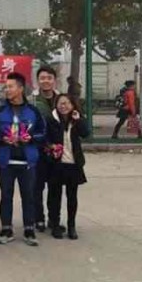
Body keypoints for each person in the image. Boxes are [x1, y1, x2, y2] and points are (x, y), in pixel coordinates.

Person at [0, 72, 46, 247]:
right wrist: (2, 139)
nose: (7, 90)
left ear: (21, 88)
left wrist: (31, 138)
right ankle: (6, 229)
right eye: (5, 87)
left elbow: (43, 133)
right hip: (6, 161)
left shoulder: (33, 111)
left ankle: (29, 229)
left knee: (28, 196)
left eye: (10, 86)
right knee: (6, 195)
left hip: (28, 162)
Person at [46, 94, 89, 240]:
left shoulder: (76, 119)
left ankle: (72, 226)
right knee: (54, 196)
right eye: (61, 103)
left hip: (73, 163)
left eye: (67, 103)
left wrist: (79, 120)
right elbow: (45, 138)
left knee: (72, 197)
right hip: (56, 163)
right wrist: (51, 146)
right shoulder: (51, 120)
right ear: (56, 105)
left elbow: (86, 134)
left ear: (72, 105)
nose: (63, 106)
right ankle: (55, 224)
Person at [30, 66, 60, 233]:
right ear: (38, 81)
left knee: (55, 187)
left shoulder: (62, 99)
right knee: (37, 187)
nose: (46, 81)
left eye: (49, 78)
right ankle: (38, 219)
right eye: (42, 78)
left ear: (54, 80)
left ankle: (54, 221)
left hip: (58, 150)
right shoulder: (31, 101)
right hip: (38, 150)